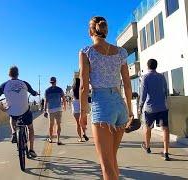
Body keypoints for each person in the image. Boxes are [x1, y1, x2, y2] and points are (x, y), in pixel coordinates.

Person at [79, 16, 133, 180]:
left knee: (106, 165)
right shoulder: (121, 52)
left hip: (102, 105)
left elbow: (83, 86)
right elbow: (128, 84)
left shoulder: (87, 52)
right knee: (112, 160)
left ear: (90, 31)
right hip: (120, 105)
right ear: (106, 31)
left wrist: (83, 113)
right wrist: (130, 111)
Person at [0, 66, 39, 158]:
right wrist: (36, 93)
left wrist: (3, 109)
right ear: (18, 74)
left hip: (13, 112)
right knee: (30, 128)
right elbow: (33, 93)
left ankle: (14, 132)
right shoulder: (24, 83)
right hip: (25, 112)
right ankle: (31, 149)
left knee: (12, 117)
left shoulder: (4, 85)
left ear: (9, 74)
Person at [138, 59, 170, 161]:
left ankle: (147, 147)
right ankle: (165, 152)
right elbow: (166, 91)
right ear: (156, 66)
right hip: (162, 107)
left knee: (147, 127)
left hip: (150, 108)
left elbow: (143, 94)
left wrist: (140, 106)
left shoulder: (145, 77)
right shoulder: (161, 77)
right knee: (165, 128)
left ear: (148, 66)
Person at [44, 77, 67, 145]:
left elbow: (46, 101)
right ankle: (58, 140)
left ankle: (50, 139)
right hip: (58, 109)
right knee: (58, 124)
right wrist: (64, 106)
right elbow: (64, 98)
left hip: (50, 110)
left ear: (50, 82)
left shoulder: (47, 90)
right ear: (56, 81)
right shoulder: (59, 89)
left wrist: (45, 110)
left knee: (51, 125)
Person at [71, 78, 89, 142]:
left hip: (75, 109)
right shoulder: (82, 89)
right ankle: (84, 133)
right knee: (83, 122)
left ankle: (80, 138)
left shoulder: (72, 90)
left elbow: (70, 97)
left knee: (78, 124)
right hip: (82, 107)